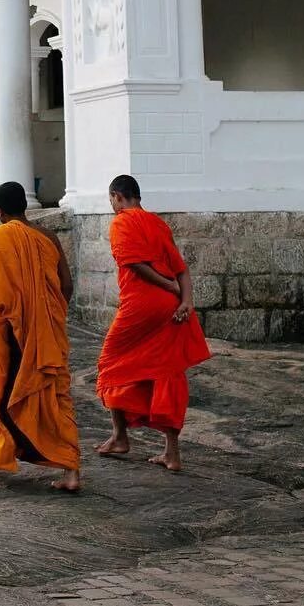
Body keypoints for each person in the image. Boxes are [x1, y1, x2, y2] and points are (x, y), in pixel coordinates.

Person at [0, 181, 81, 492]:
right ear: (24, 207)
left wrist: (22, 315)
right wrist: (48, 317)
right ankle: (71, 472)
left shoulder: (0, 236)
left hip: (11, 332)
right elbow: (66, 284)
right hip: (46, 330)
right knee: (54, 396)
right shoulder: (48, 236)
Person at [95, 174, 211, 472]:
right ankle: (172, 453)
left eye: (111, 200)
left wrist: (168, 287)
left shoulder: (121, 221)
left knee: (111, 364)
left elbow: (135, 264)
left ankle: (120, 436)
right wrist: (185, 300)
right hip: (172, 309)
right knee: (168, 372)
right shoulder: (158, 224)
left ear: (117, 196)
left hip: (141, 306)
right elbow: (181, 269)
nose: (112, 205)